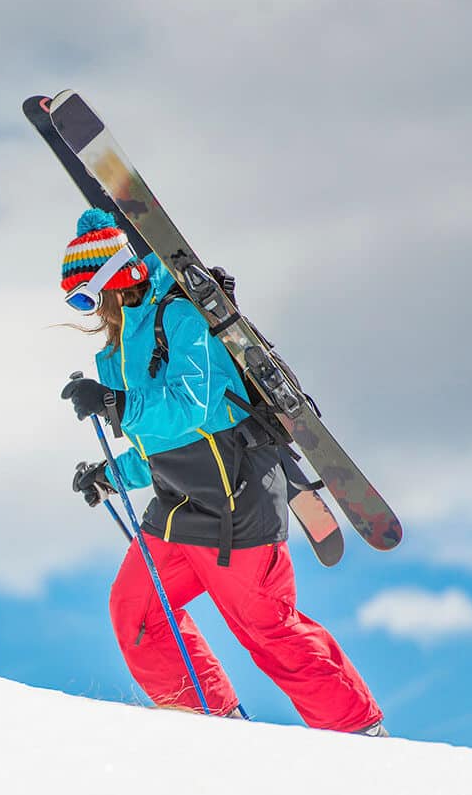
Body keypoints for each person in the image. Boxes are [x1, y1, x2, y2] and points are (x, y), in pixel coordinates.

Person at [57, 207, 385, 735]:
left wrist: (117, 402)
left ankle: (361, 734)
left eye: (88, 296)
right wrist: (110, 474)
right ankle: (212, 728)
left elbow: (199, 405)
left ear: (117, 282)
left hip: (236, 503)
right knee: (135, 613)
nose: (90, 311)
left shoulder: (183, 317)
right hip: (176, 509)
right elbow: (156, 442)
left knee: (267, 629)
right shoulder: (119, 350)